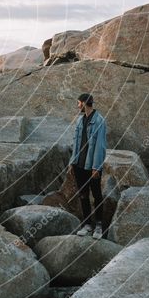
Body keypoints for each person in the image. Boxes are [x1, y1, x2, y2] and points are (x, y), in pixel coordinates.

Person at [67, 92, 108, 239]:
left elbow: (100, 146)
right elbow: (76, 142)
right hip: (79, 164)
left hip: (92, 166)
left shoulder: (99, 121)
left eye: (79, 103)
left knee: (96, 196)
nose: (78, 106)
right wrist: (72, 162)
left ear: (84, 103)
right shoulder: (79, 121)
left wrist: (97, 167)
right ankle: (87, 225)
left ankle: (98, 226)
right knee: (83, 195)